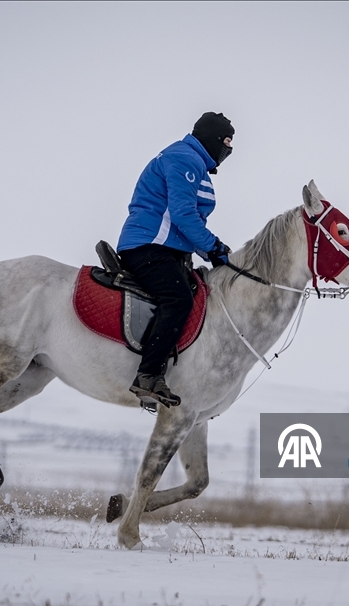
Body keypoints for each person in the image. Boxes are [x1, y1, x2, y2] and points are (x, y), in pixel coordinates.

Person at [116, 112, 234, 408]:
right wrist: (213, 246)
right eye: (227, 142)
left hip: (164, 246)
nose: (229, 150)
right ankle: (148, 375)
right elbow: (182, 215)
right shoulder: (185, 159)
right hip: (149, 244)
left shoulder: (193, 161)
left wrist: (210, 252)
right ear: (213, 138)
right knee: (178, 299)